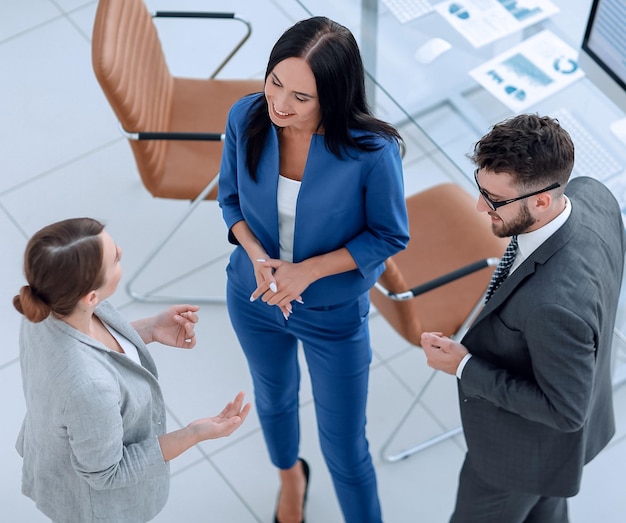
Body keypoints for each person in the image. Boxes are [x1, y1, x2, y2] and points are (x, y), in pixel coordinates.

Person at [217, 16, 409, 523]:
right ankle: (290, 479)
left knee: (346, 448)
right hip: (254, 296)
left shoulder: (372, 152)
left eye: (301, 97)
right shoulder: (248, 117)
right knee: (274, 398)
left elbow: (390, 235)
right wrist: (258, 258)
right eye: (275, 82)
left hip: (333, 315)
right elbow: (230, 201)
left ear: (333, 96)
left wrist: (309, 271)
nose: (280, 103)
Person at [420, 114, 626, 523]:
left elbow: (565, 411)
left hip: (518, 458)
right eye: (481, 189)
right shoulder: (593, 195)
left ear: (542, 200)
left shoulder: (554, 307)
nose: (481, 206)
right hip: (554, 457)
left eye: (495, 200)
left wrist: (462, 365)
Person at [13, 217, 251, 523]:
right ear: (91, 297)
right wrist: (194, 434)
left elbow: (94, 347)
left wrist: (150, 329)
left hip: (52, 448)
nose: (122, 251)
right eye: (115, 258)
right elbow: (107, 473)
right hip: (96, 507)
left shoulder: (47, 304)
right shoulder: (89, 388)